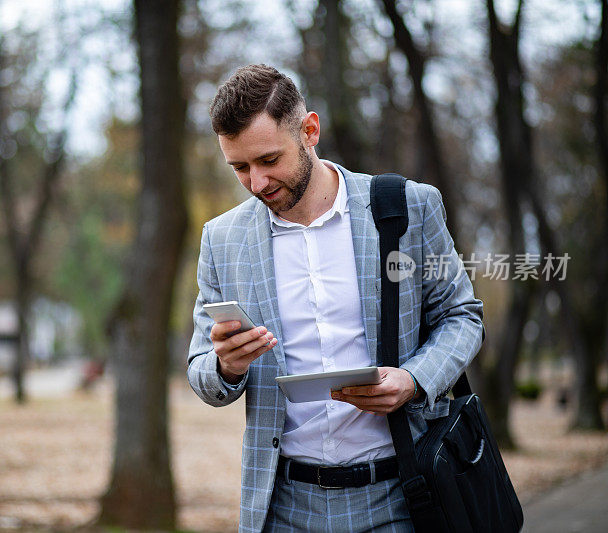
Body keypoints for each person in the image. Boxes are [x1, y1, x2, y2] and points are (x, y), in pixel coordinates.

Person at [187, 64, 484, 532]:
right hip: (283, 507)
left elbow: (462, 315)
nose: (256, 182)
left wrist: (413, 379)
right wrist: (226, 365)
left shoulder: (408, 206)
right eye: (239, 168)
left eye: (268, 160)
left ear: (310, 130)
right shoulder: (222, 239)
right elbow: (201, 370)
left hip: (402, 497)